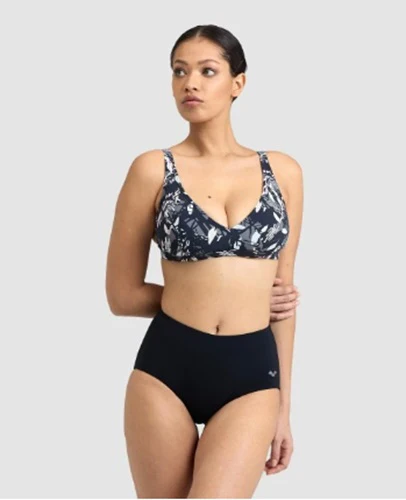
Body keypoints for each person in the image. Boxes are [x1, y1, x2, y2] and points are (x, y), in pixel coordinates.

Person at [106, 24, 303, 499]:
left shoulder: (283, 172)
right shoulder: (152, 169)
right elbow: (122, 296)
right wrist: (200, 297)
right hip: (166, 369)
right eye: (179, 71)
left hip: (252, 375)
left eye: (207, 71)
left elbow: (282, 300)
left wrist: (284, 409)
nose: (189, 83)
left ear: (238, 83)